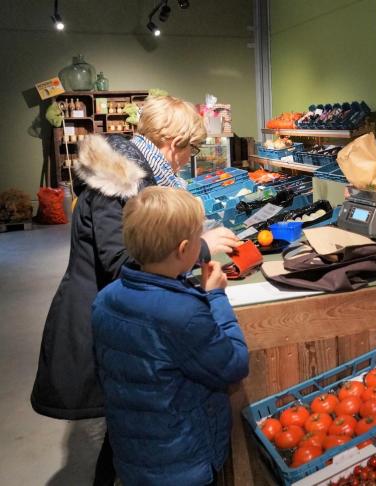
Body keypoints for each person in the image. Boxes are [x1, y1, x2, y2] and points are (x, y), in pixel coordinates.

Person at [30, 95, 240, 485]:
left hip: (114, 314)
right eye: (191, 148)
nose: (188, 158)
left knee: (127, 432)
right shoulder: (118, 182)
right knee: (128, 432)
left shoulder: (133, 173)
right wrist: (201, 248)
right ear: (172, 143)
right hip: (102, 319)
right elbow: (120, 261)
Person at [91, 186, 249, 485]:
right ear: (184, 249)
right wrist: (215, 297)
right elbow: (234, 364)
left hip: (133, 453)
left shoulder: (105, 298)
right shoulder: (183, 314)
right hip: (184, 462)